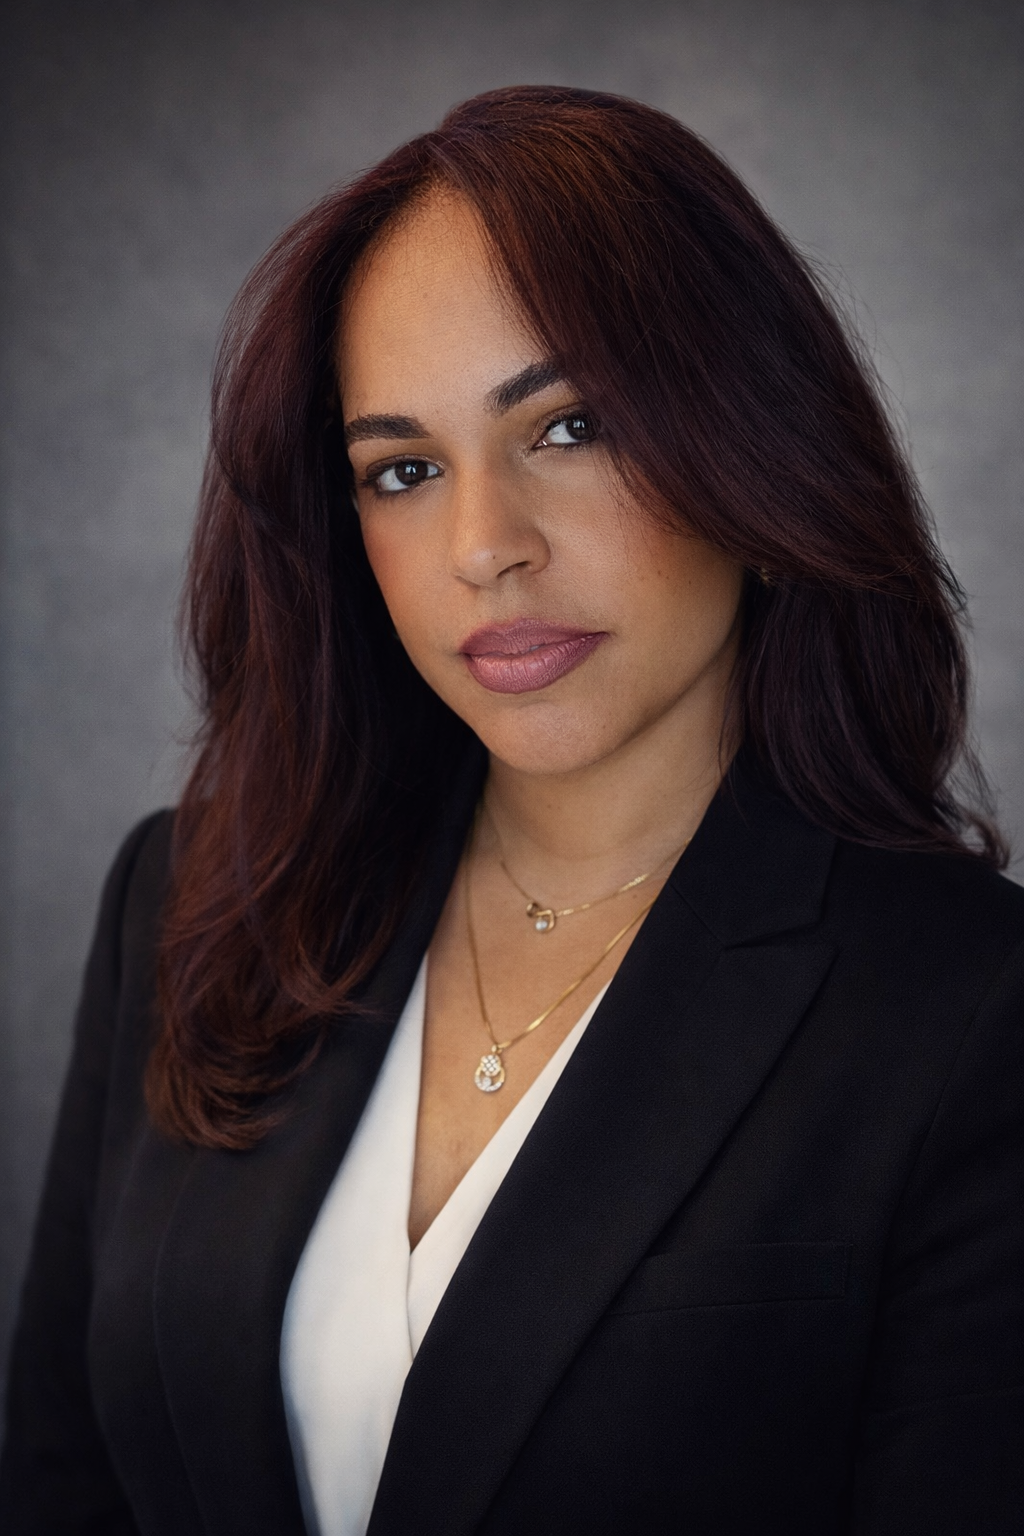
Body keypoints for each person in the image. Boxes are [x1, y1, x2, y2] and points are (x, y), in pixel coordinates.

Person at [1, 84, 1021, 1536]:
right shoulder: (192, 899)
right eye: (404, 471)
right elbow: (63, 1479)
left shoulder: (971, 1009)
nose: (484, 547)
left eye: (569, 426)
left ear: (753, 434)